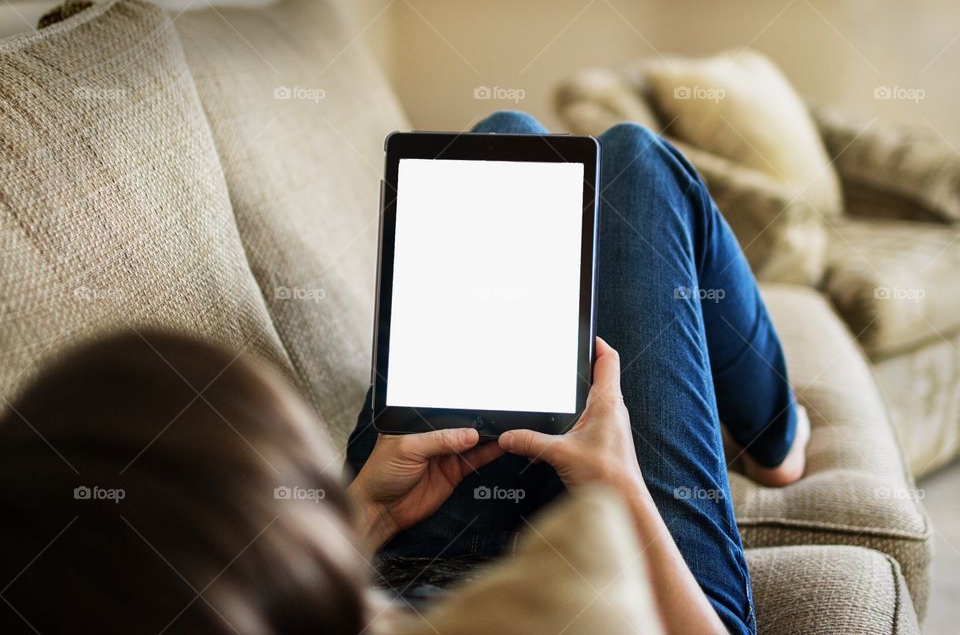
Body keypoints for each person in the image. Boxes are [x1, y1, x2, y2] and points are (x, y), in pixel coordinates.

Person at [0, 112, 808, 635]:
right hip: (616, 585)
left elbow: (263, 597)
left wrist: (365, 513)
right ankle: (774, 432)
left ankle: (767, 425)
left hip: (397, 557)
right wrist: (621, 487)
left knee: (507, 143)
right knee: (633, 160)